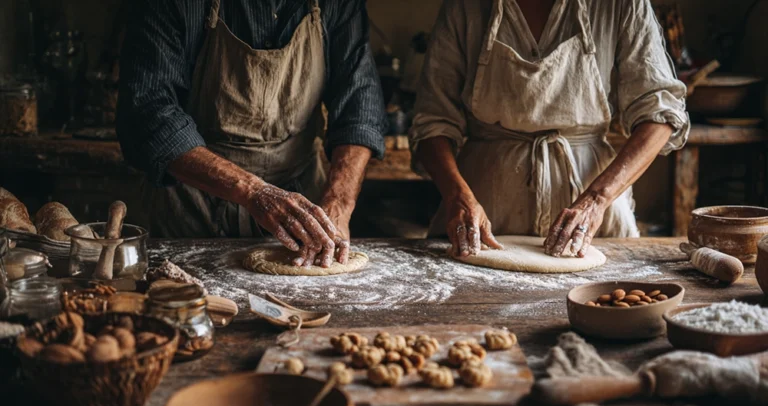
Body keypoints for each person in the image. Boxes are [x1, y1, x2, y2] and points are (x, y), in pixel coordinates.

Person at [409, 0, 689, 258]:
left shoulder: (620, 4)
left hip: (592, 216)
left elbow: (661, 115)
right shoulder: (465, 6)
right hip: (485, 209)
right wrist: (458, 197)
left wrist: (596, 200)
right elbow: (432, 121)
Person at [117, 0, 386, 268]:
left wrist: (338, 203)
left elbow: (360, 107)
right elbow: (148, 112)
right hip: (192, 206)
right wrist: (254, 191)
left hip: (304, 205)